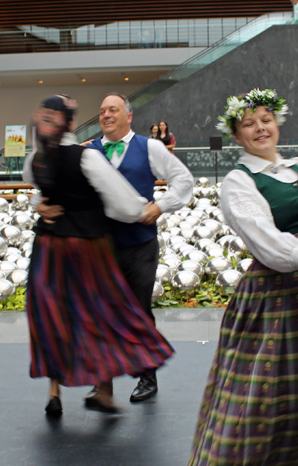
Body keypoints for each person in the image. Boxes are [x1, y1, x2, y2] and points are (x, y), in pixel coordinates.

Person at [187, 88, 298, 466]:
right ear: (236, 134)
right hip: (276, 298)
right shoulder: (238, 181)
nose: (260, 128)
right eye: (249, 123)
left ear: (279, 123)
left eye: (266, 118)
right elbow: (265, 240)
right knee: (279, 401)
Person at [23, 95, 174, 415]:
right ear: (72, 122)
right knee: (99, 313)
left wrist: (39, 204)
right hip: (86, 246)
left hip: (48, 248)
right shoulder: (87, 156)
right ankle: (105, 386)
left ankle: (54, 392)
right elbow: (121, 201)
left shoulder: (37, 157)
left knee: (53, 316)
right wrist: (142, 210)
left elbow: (32, 186)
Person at [87, 94, 193, 403]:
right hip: (101, 247)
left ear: (128, 116)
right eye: (102, 110)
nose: (106, 115)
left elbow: (183, 180)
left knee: (138, 311)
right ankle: (102, 383)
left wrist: (160, 207)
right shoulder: (90, 151)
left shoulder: (150, 147)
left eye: (113, 110)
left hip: (140, 245)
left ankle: (147, 376)